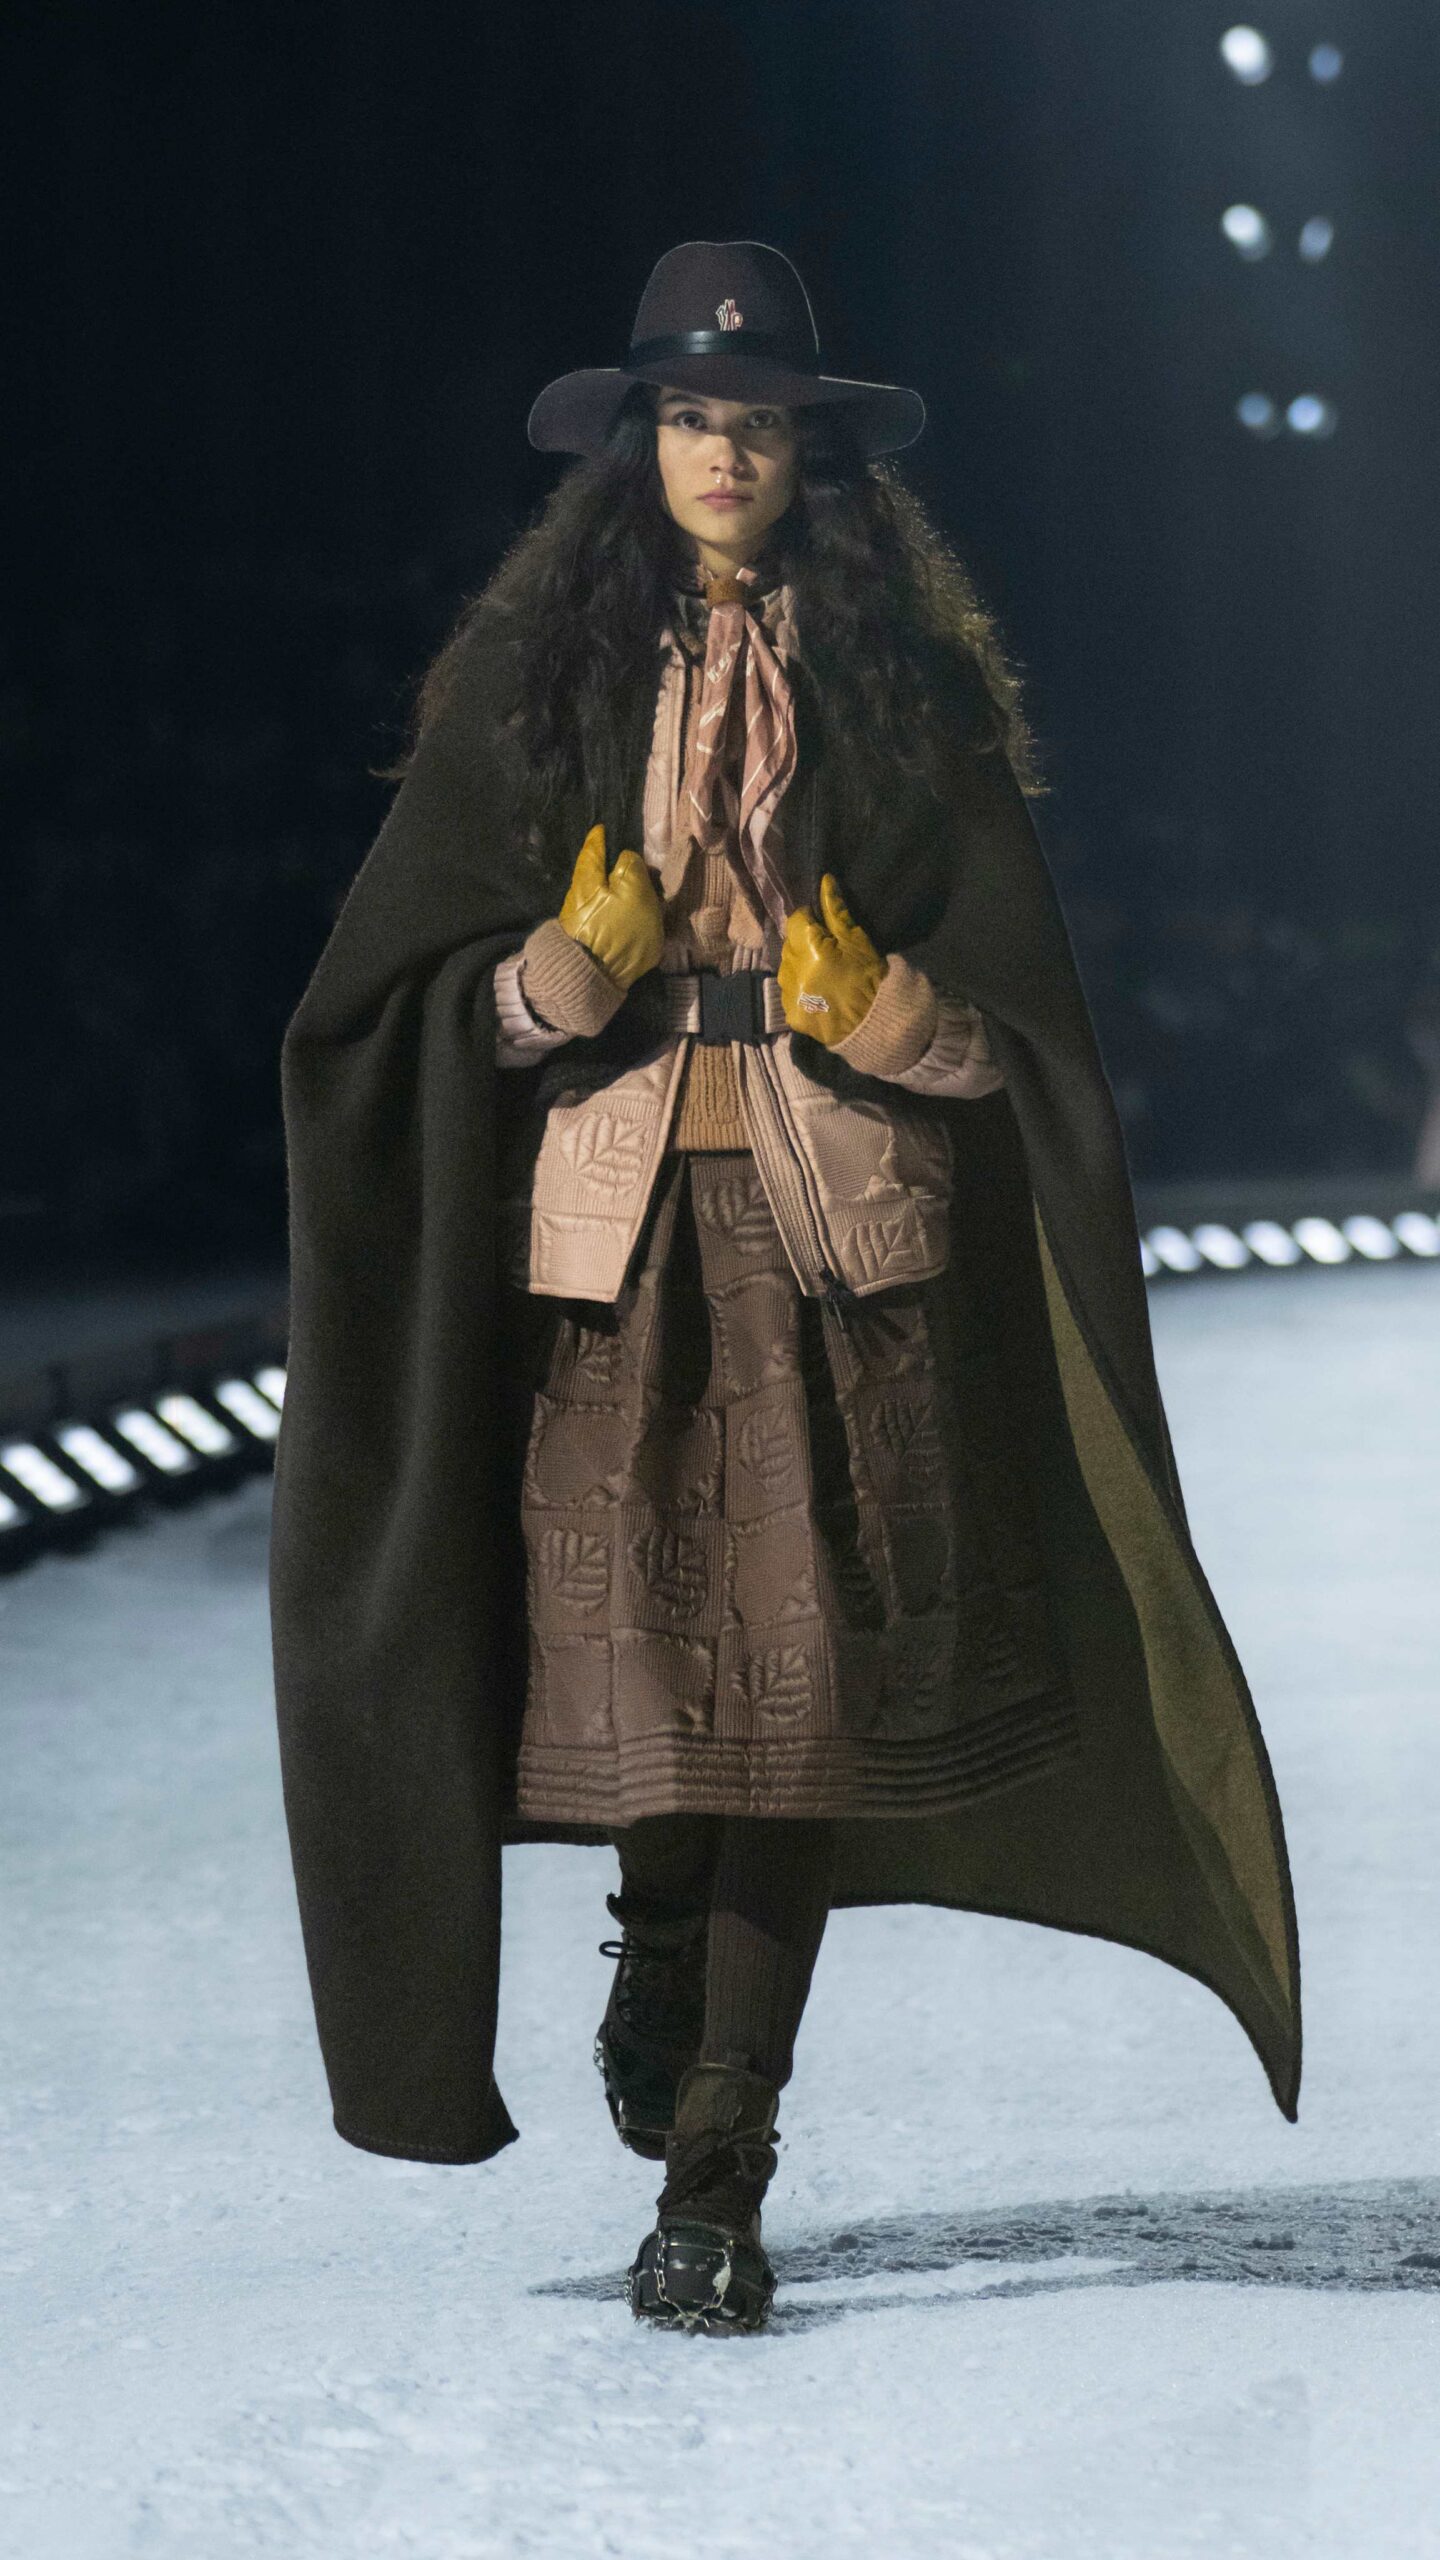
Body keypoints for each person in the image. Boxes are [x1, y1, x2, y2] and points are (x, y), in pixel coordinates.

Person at [270, 240, 1300, 2340]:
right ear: (639, 445)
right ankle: (664, 1939)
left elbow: (1028, 1032)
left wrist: (903, 1013)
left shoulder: (903, 686)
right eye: (688, 417)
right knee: (663, 1693)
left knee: (802, 1711)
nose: (722, 451)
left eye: (754, 423)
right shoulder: (537, 685)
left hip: (849, 1257)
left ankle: (721, 2168)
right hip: (607, 1256)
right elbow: (375, 1008)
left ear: (810, 455)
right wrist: (541, 987)